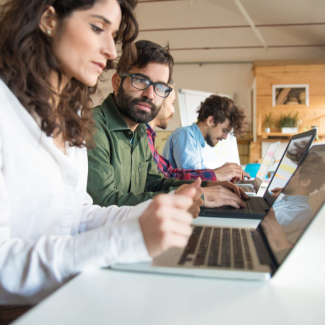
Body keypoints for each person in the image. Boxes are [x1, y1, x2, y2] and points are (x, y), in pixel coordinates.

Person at [0, 0, 198, 320]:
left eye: (114, 35)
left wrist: (155, 213)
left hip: (68, 293)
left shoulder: (71, 117)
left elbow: (77, 216)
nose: (111, 51)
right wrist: (127, 238)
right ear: (49, 19)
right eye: (97, 28)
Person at [87, 40, 248, 212]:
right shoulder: (93, 126)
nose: (150, 95)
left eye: (160, 87)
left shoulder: (140, 131)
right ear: (117, 83)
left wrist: (206, 186)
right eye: (141, 80)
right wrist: (196, 196)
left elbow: (155, 182)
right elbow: (104, 202)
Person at [147, 81, 250, 182]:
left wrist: (228, 174)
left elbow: (200, 173)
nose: (225, 137)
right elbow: (193, 179)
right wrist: (222, 174)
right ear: (211, 121)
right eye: (224, 131)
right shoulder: (185, 135)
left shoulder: (196, 141)